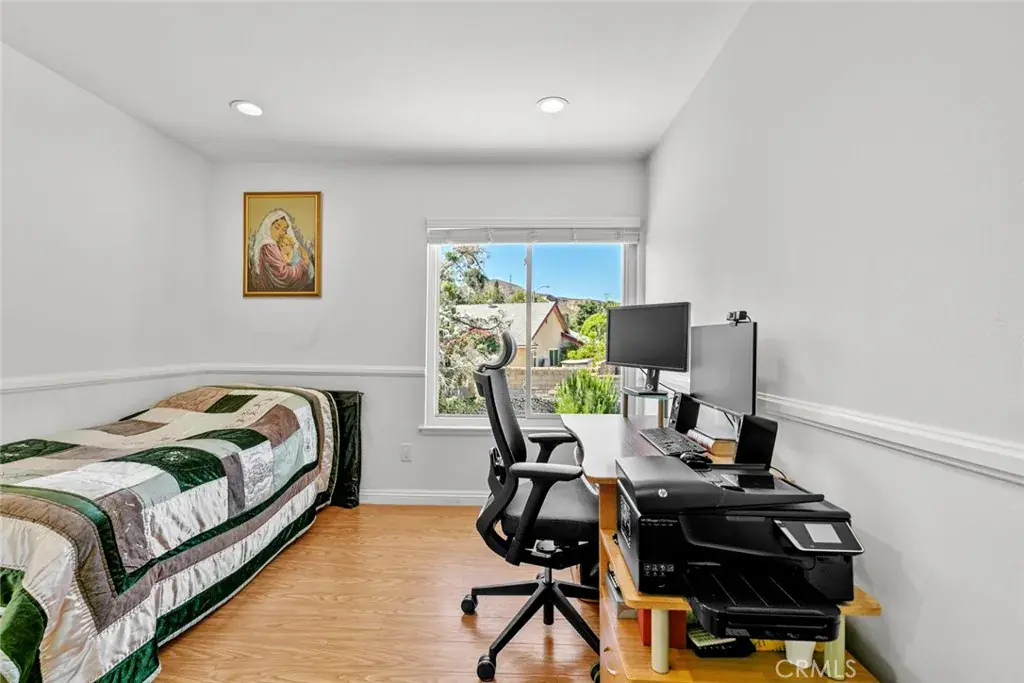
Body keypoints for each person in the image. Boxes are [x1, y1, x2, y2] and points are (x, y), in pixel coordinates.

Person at [248, 209, 313, 291]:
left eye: (284, 230)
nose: (280, 232)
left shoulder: (277, 244)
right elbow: (284, 275)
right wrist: (303, 264)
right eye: (277, 227)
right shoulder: (268, 247)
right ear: (268, 226)